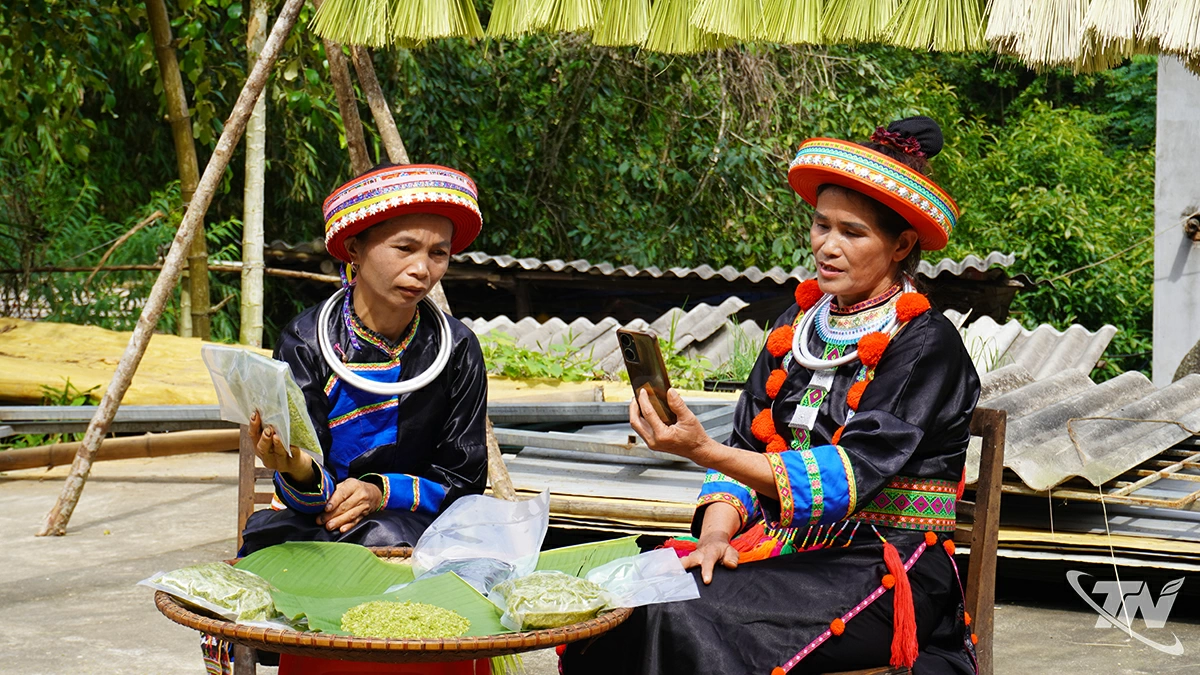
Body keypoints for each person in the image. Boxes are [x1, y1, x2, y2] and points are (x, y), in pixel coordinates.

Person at [562, 117, 980, 675]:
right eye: (820, 225)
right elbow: (747, 441)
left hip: (882, 562)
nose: (827, 247)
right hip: (786, 546)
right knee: (624, 597)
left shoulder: (925, 342)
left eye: (852, 233)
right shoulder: (797, 324)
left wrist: (698, 450)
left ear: (901, 244)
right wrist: (714, 537)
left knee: (683, 613)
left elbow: (850, 475)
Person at [238, 163, 489, 555]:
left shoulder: (457, 350)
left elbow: (464, 477)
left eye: (438, 253)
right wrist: (294, 466)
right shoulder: (306, 342)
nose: (422, 269)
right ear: (355, 247)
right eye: (404, 248)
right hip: (312, 519)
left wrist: (379, 491)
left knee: (387, 539)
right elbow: (307, 470)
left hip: (415, 519)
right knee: (275, 550)